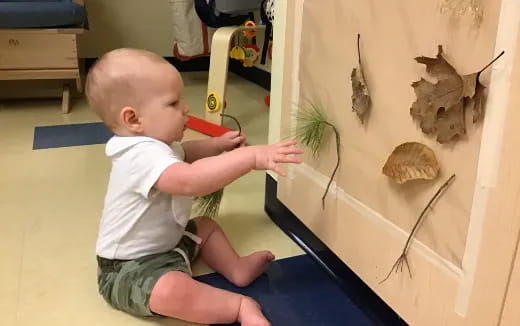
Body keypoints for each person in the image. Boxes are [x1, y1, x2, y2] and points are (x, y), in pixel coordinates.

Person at [85, 48, 303, 326]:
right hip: (128, 269)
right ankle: (237, 307)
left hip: (167, 244)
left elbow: (183, 153)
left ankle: (236, 269)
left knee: (206, 227)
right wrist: (251, 157)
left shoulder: (157, 144)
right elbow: (189, 180)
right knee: (169, 290)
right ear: (133, 119)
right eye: (173, 103)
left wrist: (215, 146)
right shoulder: (137, 155)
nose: (186, 108)